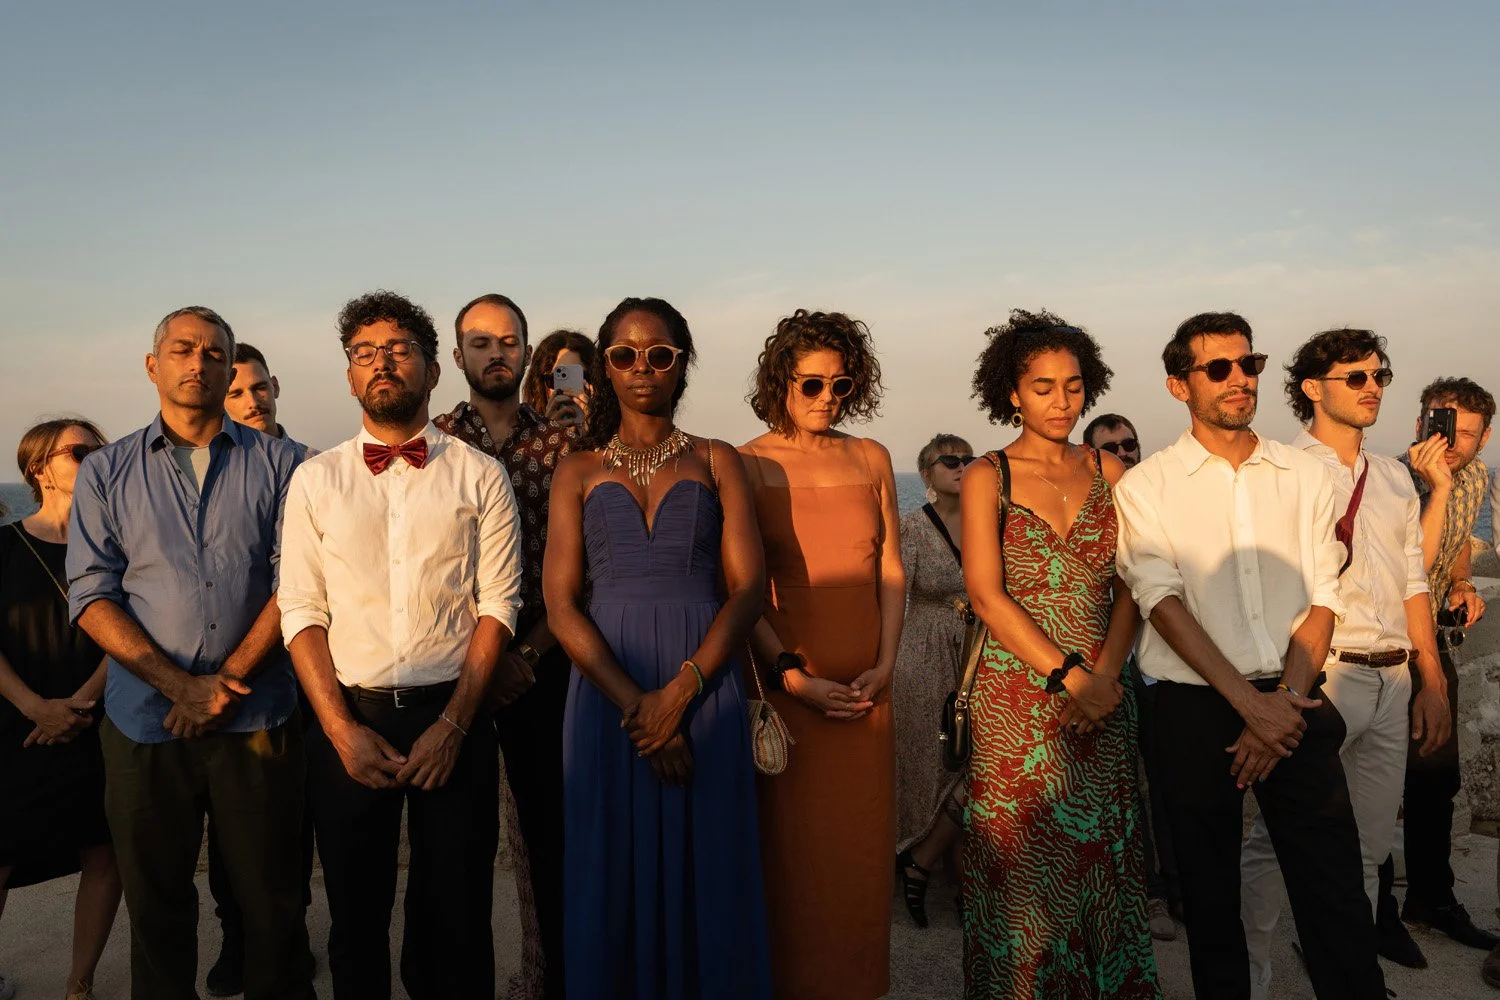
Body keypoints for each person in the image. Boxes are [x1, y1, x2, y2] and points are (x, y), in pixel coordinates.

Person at [1113, 311, 1386, 1000]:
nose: (1240, 380)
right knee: (1208, 898)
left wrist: (1284, 705)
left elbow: (1325, 597)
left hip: (1293, 698)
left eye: (1249, 364)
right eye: (1219, 368)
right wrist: (1252, 709)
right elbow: (1161, 601)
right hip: (1194, 708)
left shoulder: (1302, 475)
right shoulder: (1147, 486)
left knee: (1335, 892)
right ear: (1180, 385)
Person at [278, 290, 522, 1000]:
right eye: (365, 352)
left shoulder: (482, 474)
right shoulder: (315, 481)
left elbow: (498, 607)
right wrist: (339, 730)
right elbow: (300, 610)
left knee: (456, 915)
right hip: (348, 720)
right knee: (354, 915)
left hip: (457, 718)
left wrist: (453, 726)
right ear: (350, 376)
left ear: (432, 369)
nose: (382, 362)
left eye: (399, 349)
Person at [67, 306, 314, 1000]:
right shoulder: (107, 471)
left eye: (215, 353)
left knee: (273, 904)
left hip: (257, 718)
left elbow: (299, 581)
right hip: (144, 724)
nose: (199, 363)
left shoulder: (287, 465)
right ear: (154, 366)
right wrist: (176, 683)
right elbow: (91, 592)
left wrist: (222, 681)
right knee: (156, 907)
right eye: (183, 349)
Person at [545, 297, 771, 999]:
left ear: (682, 365)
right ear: (603, 369)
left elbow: (750, 587)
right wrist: (640, 706)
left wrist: (680, 693)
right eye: (624, 354)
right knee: (609, 864)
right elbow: (559, 603)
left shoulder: (717, 458)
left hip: (702, 685)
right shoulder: (575, 469)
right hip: (607, 694)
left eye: (660, 354)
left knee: (710, 860)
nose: (642, 367)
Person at [1238, 329, 1451, 998]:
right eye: (1356, 377)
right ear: (1312, 388)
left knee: (1367, 848)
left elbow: (1413, 580)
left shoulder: (1392, 475)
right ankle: (1251, 977)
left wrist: (1432, 679)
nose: (1373, 388)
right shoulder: (1281, 468)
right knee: (1274, 844)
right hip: (1322, 676)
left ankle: (1349, 974)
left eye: (1379, 375)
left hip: (1391, 679)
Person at [958, 311, 1159, 997]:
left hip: (1104, 693)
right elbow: (986, 595)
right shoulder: (989, 476)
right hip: (1017, 699)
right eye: (1042, 387)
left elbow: (1137, 583)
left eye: (1073, 386)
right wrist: (1071, 677)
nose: (1061, 401)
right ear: (1012, 392)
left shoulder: (1113, 472)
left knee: (1103, 862)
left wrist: (1103, 679)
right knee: (1022, 871)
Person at [739, 309, 903, 1000]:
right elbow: (739, 586)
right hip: (793, 694)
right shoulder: (746, 462)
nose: (827, 398)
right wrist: (793, 679)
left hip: (869, 695)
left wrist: (887, 664)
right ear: (780, 380)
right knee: (794, 861)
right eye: (811, 384)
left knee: (861, 859)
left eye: (840, 385)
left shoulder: (872, 458)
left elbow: (891, 567)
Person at [434, 292, 574, 999]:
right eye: (480, 342)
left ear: (526, 353)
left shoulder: (563, 448)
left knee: (552, 841)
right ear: (457, 356)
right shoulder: (428, 445)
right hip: (451, 674)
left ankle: (557, 980)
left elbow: (583, 572)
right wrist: (476, 666)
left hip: (540, 670)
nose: (496, 353)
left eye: (508, 341)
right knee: (455, 851)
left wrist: (528, 656)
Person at [207, 338, 316, 995]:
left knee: (288, 825)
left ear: (276, 385)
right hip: (233, 674)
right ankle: (234, 935)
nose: (252, 400)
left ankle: (290, 941)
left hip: (299, 674)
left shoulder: (310, 467)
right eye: (236, 391)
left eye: (259, 388)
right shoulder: (211, 471)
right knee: (228, 827)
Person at [0, 419, 121, 1000]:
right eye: (78, 452)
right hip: (16, 724)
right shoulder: (3, 546)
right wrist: (35, 708)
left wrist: (81, 702)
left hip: (96, 718)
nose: (94, 457)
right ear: (38, 468)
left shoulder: (117, 545)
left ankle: (79, 984)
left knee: (104, 851)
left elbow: (132, 627)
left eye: (100, 449)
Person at [1378, 377, 1497, 960]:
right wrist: (1436, 489)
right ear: (1420, 424)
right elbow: (1407, 570)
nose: (1450, 443)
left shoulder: (1474, 475)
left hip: (1430, 637)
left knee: (1436, 774)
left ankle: (1431, 897)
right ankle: (1373, 914)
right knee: (1376, 783)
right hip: (1378, 638)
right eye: (1441, 426)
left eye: (1465, 433)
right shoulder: (1391, 477)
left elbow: (1454, 548)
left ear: (1484, 437)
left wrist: (1462, 581)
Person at [1084, 410, 1178, 938]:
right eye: (1111, 448)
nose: (1124, 454)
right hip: (1112, 666)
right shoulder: (1093, 508)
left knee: (1169, 785)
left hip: (1161, 669)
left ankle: (1178, 889)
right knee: (1128, 791)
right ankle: (1148, 894)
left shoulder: (1158, 502)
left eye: (1130, 444)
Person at [893, 432, 972, 929]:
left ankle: (921, 864)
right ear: (927, 475)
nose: (961, 466)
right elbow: (895, 592)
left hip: (977, 650)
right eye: (950, 460)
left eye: (968, 459)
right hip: (923, 650)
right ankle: (946, 876)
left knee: (976, 769)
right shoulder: (911, 527)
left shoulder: (991, 523)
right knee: (930, 764)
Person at [224, 342, 314, 457]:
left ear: (275, 387)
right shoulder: (214, 468)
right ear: (220, 402)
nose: (253, 403)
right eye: (237, 394)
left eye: (260, 388)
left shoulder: (315, 466)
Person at [520, 329, 595, 430]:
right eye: (557, 379)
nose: (569, 390)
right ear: (540, 385)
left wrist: (593, 433)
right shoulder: (523, 435)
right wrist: (547, 434)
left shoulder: (615, 434)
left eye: (578, 377)